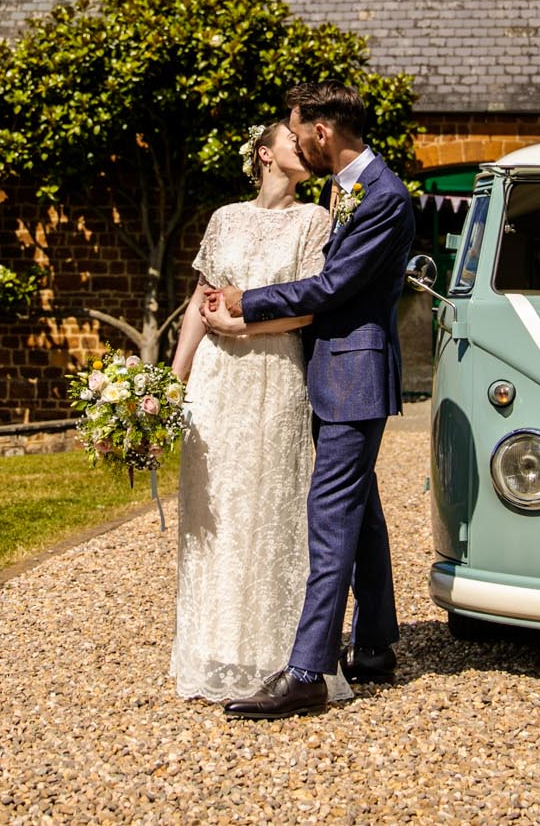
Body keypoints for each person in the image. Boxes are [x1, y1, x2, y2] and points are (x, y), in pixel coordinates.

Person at [206, 83, 413, 719]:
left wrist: (250, 302)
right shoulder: (344, 187)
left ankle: (308, 672)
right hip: (332, 373)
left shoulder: (384, 197)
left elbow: (335, 284)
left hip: (354, 376)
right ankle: (375, 644)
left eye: (299, 134)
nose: (295, 144)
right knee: (363, 513)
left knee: (329, 520)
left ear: (322, 134)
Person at [166, 117, 347, 704]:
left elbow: (311, 307)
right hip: (218, 383)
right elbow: (200, 301)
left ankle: (273, 650)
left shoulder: (313, 219)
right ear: (265, 155)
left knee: (270, 506)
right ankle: (215, 645)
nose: (303, 145)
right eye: (290, 140)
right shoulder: (225, 218)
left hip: (275, 376)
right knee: (214, 507)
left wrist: (242, 324)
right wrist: (173, 380)